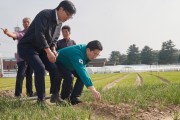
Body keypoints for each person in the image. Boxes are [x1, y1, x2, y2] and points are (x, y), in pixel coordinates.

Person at [17, 0, 76, 103]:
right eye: (67, 14)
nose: (67, 18)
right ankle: (41, 100)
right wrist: (48, 52)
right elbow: (39, 34)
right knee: (40, 68)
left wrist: (53, 50)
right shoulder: (45, 14)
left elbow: (53, 40)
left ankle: (55, 96)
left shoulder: (59, 24)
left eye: (70, 16)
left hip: (40, 49)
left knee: (55, 68)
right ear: (61, 9)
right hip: (28, 47)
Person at [56, 40, 102, 105]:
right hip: (58, 62)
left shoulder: (87, 53)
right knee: (69, 77)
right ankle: (64, 99)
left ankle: (74, 98)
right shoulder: (77, 53)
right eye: (95, 53)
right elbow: (81, 71)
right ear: (88, 50)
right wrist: (93, 89)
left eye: (97, 54)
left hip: (70, 64)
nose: (95, 57)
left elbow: (83, 70)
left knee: (81, 77)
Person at [1, 17, 34, 97]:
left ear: (30, 23)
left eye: (27, 22)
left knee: (29, 76)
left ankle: (30, 94)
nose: (26, 23)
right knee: (21, 76)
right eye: (24, 22)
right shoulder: (20, 33)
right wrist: (7, 32)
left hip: (32, 58)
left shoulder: (34, 33)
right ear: (22, 24)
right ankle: (18, 94)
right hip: (22, 59)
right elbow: (13, 34)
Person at [56, 25, 76, 100]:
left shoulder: (73, 42)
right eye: (63, 32)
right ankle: (57, 96)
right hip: (60, 65)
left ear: (69, 32)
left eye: (66, 32)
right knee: (58, 79)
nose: (64, 33)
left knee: (70, 79)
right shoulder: (58, 43)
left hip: (70, 65)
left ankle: (70, 96)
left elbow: (75, 54)